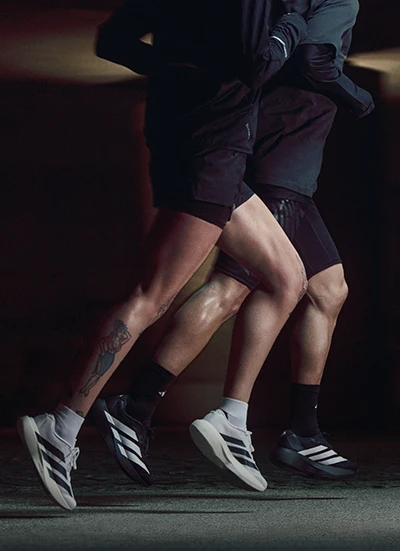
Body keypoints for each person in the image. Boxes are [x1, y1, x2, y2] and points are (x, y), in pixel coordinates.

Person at [17, 0, 312, 510]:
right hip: (210, 151)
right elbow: (259, 62)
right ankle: (60, 427)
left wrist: (176, 73)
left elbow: (111, 41)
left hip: (196, 142)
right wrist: (295, 20)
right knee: (151, 294)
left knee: (287, 277)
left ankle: (228, 419)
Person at [91, 0, 373, 493]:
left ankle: (296, 430)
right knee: (236, 286)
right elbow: (312, 60)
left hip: (276, 156)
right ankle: (153, 408)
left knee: (326, 289)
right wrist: (359, 97)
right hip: (281, 162)